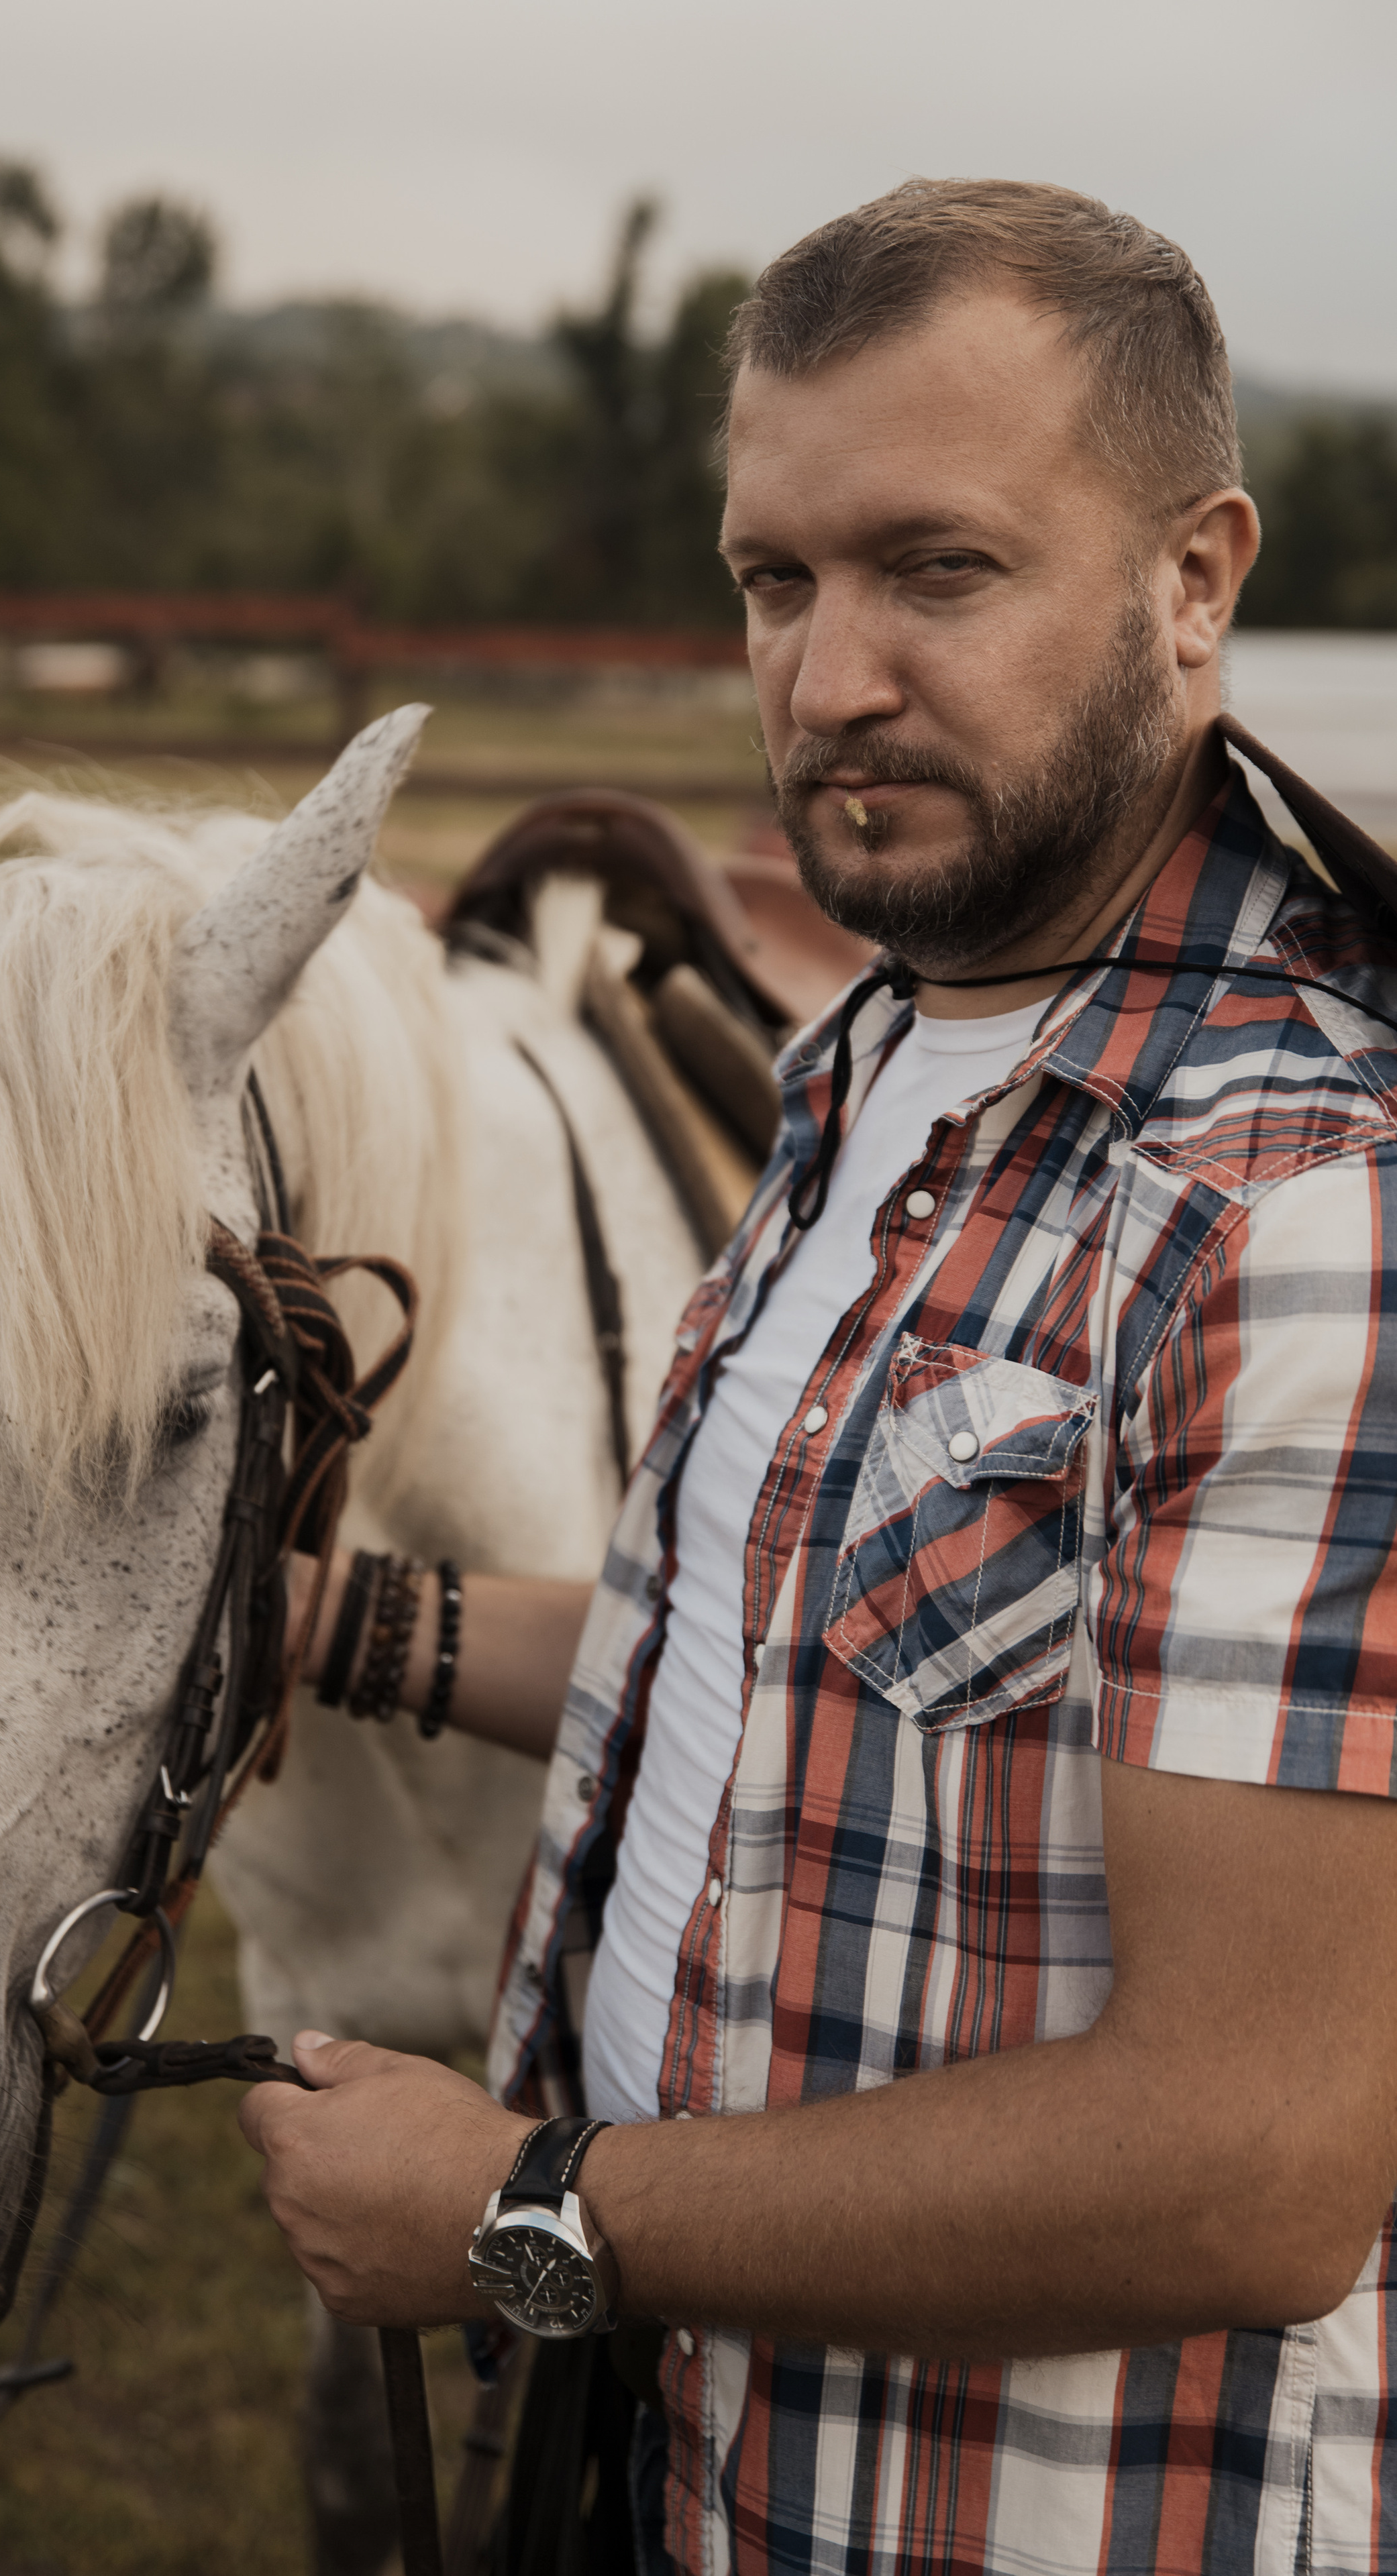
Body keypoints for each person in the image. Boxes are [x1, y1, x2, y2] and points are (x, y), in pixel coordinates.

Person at [240, 178, 1397, 2575]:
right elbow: (766, 1668)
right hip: (718, 2481)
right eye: (777, 579)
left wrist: (529, 2209)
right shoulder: (878, 1054)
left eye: (938, 571)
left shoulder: (1293, 1209)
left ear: (1197, 580)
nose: (829, 675)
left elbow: (1262, 2157)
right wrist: (331, 1628)